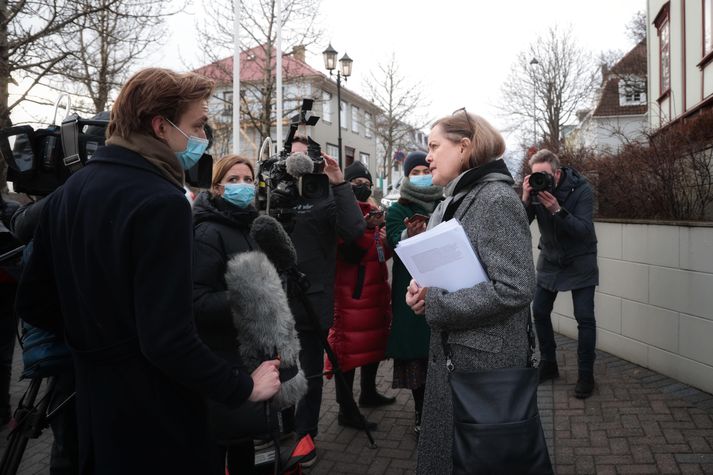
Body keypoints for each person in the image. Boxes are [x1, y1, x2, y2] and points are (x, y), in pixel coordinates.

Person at [14, 68, 281, 475]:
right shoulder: (162, 201)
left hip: (93, 407)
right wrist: (243, 386)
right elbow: (168, 341)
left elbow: (33, 301)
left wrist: (96, 344)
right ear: (161, 126)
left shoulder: (73, 188)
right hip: (157, 418)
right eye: (196, 125)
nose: (201, 137)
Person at [405, 109, 535, 474]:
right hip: (458, 362)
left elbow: (515, 288)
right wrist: (420, 294)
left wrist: (439, 304)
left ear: (464, 147)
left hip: (484, 371)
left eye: (434, 146)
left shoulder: (495, 200)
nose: (428, 156)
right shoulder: (452, 201)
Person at [285, 138, 366, 465]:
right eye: (292, 157)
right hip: (272, 299)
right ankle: (277, 431)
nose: (296, 164)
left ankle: (305, 434)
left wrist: (340, 184)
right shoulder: (275, 193)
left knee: (309, 374)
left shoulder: (325, 194)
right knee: (275, 372)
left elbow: (354, 228)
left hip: (310, 301)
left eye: (303, 157)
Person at [191, 155, 261, 474]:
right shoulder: (208, 233)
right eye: (234, 180)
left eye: (248, 179)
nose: (243, 186)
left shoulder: (246, 226)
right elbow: (197, 302)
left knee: (243, 441)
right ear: (217, 187)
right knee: (219, 443)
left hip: (243, 353)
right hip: (219, 356)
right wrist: (248, 296)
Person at [522, 148, 598, 399]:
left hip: (580, 259)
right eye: (534, 176)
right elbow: (519, 227)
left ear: (556, 173)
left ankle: (586, 374)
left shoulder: (582, 190)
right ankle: (549, 364)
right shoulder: (534, 192)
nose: (539, 180)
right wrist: (525, 199)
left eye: (543, 175)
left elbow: (584, 231)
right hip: (551, 258)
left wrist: (557, 209)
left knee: (584, 317)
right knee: (540, 311)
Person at [325, 161, 394, 431]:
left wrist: (386, 241)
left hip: (375, 293)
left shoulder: (375, 212)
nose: (362, 188)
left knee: (373, 344)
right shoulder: (341, 214)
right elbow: (350, 253)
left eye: (366, 184)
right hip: (350, 297)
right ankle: (346, 409)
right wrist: (365, 229)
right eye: (356, 184)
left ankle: (368, 392)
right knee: (347, 353)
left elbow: (379, 256)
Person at [384, 151, 443, 436]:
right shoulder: (397, 210)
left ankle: (440, 412)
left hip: (443, 286)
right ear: (406, 176)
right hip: (412, 290)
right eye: (415, 172)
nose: (422, 176)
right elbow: (395, 242)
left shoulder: (445, 203)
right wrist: (410, 237)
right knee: (418, 357)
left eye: (425, 170)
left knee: (440, 353)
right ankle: (421, 412)